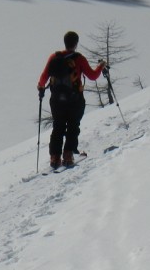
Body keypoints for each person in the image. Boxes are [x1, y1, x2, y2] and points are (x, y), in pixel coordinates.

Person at [37, 31, 106, 169]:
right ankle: (68, 155)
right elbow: (92, 76)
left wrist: (41, 88)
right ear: (76, 44)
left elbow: (43, 78)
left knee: (58, 126)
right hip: (75, 100)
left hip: (56, 100)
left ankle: (55, 157)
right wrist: (101, 66)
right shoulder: (79, 58)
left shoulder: (54, 57)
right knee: (73, 126)